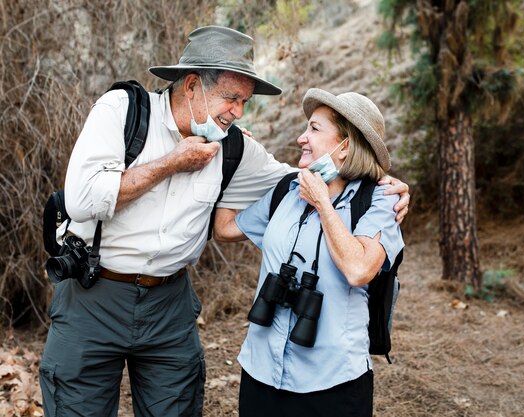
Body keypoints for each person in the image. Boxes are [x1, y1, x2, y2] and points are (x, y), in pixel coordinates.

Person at [40, 26, 409, 417]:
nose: (238, 112)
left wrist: (380, 179)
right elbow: (82, 200)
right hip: (93, 294)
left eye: (245, 102)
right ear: (193, 86)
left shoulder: (234, 146)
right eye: (231, 99)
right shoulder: (121, 111)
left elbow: (304, 177)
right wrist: (171, 163)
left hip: (170, 306)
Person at [214, 88, 404, 417]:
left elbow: (359, 270)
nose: (302, 137)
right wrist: (237, 162)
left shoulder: (379, 201)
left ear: (346, 146)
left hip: (332, 383)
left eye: (314, 129)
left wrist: (322, 203)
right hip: (261, 372)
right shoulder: (287, 190)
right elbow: (225, 228)